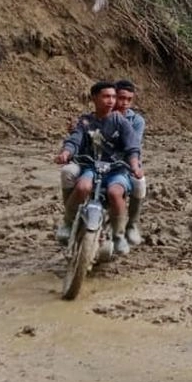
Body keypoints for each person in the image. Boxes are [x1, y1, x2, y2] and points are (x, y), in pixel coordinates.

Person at [55, 81, 143, 255]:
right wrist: (65, 153)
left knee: (115, 193)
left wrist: (135, 166)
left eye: (113, 97)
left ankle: (119, 235)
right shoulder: (85, 121)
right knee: (82, 187)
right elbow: (74, 140)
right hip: (92, 167)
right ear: (94, 98)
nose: (111, 100)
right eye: (106, 96)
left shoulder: (122, 121)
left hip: (117, 169)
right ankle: (68, 223)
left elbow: (132, 146)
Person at [113, 79, 147, 247]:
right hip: (102, 160)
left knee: (139, 183)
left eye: (129, 99)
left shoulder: (137, 121)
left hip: (126, 162)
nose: (125, 103)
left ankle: (132, 224)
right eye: (121, 98)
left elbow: (133, 144)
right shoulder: (101, 114)